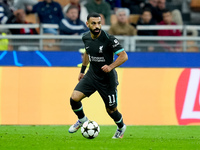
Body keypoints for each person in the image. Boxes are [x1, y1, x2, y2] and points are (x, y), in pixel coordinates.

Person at [68, 12, 128, 139]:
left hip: (107, 80)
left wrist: (110, 66)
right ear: (87, 24)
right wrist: (83, 71)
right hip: (92, 75)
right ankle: (83, 120)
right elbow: (87, 52)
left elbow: (124, 56)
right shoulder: (86, 37)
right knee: (74, 98)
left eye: (99, 23)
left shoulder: (109, 39)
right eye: (94, 23)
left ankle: (121, 127)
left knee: (111, 110)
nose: (97, 26)